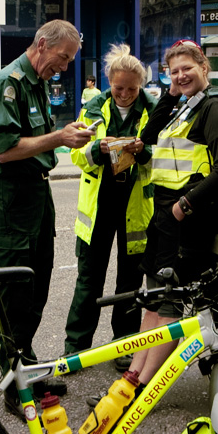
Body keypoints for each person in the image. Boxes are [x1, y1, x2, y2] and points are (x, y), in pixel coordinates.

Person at [0, 19, 92, 418]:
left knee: (38, 281)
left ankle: (25, 364)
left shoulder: (38, 81)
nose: (63, 67)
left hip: (36, 192)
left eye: (69, 61)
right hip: (11, 195)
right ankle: (13, 382)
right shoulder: (9, 82)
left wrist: (66, 136)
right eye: (62, 58)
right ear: (42, 44)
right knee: (13, 290)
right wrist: (59, 138)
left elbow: (36, 142)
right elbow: (6, 150)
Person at [128, 39, 218, 388]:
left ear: (204, 67)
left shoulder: (215, 109)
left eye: (187, 69)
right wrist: (171, 94)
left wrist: (183, 207)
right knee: (152, 302)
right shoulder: (186, 106)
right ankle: (132, 376)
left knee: (169, 309)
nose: (180, 75)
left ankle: (142, 385)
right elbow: (146, 139)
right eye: (174, 71)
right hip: (164, 217)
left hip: (186, 221)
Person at [64, 44, 155, 369]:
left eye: (132, 89)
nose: (126, 95)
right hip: (99, 206)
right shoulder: (93, 108)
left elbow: (165, 160)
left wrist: (144, 152)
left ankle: (125, 348)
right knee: (89, 280)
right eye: (119, 88)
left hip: (135, 209)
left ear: (140, 85)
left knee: (129, 282)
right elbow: (75, 154)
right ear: (108, 83)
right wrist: (97, 150)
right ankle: (76, 349)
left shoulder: (154, 110)